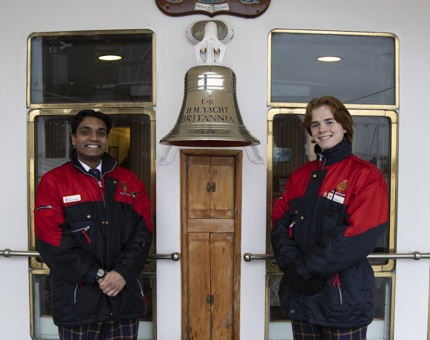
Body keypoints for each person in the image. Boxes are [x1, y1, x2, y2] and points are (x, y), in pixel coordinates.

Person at [271, 96, 388, 340]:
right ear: (310, 132)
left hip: (343, 302)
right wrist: (292, 270)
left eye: (329, 122)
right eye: (315, 125)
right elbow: (280, 223)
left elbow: (356, 236)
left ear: (344, 126)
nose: (322, 129)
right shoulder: (299, 176)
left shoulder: (366, 176)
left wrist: (302, 269)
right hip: (302, 299)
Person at [34, 109, 153, 340]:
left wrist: (121, 272)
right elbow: (51, 240)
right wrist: (98, 274)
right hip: (78, 302)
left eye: (101, 133)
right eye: (85, 132)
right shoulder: (54, 182)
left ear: (107, 139)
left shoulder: (129, 181)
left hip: (123, 298)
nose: (94, 138)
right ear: (73, 138)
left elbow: (143, 234)